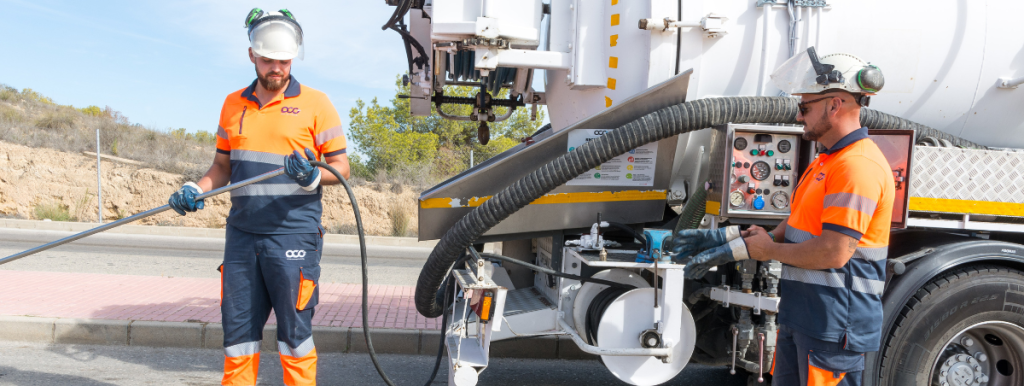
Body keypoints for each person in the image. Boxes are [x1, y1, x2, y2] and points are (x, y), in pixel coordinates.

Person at [672, 47, 892, 386]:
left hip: (834, 326)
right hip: (803, 316)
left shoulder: (856, 166)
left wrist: (768, 252)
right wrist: (731, 242)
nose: (798, 116)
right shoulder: (826, 161)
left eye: (804, 107)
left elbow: (834, 252)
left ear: (835, 105)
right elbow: (795, 226)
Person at [167, 8, 350, 386]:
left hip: (293, 235)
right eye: (268, 60)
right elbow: (222, 166)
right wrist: (194, 189)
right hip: (242, 237)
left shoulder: (317, 104)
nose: (277, 69)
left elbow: (342, 168)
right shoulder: (233, 103)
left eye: (284, 61)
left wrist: (314, 176)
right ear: (251, 55)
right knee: (238, 340)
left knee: (295, 339)